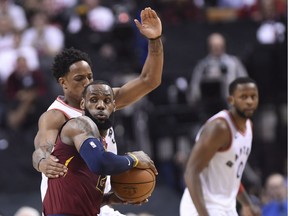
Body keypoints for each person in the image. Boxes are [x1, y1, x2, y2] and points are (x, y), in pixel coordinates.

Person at [32, 7, 163, 216]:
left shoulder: (103, 101)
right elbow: (42, 147)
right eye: (79, 79)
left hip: (95, 200)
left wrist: (155, 40)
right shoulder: (56, 115)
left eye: (89, 77)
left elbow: (149, 80)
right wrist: (42, 161)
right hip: (66, 206)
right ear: (63, 83)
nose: (86, 83)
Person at [43, 80, 157, 215]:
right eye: (94, 100)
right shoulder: (79, 126)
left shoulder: (98, 144)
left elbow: (77, 199)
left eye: (107, 101)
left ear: (114, 106)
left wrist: (109, 199)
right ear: (82, 104)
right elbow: (100, 163)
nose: (101, 105)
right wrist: (133, 159)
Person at [180, 77, 261, 216]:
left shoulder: (248, 127)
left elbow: (231, 175)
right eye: (243, 97)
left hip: (225, 206)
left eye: (253, 97)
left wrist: (247, 204)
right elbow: (191, 172)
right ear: (231, 100)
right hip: (202, 206)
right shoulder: (220, 128)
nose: (249, 101)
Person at [187, 32, 248, 118]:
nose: (217, 48)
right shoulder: (203, 66)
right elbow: (195, 87)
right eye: (214, 45)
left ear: (224, 45)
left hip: (232, 106)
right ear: (209, 46)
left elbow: (244, 82)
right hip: (209, 108)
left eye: (220, 45)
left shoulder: (233, 63)